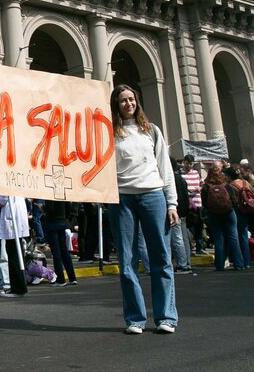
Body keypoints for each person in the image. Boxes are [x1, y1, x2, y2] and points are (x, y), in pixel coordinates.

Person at [104, 84, 178, 335]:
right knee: (126, 261)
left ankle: (166, 317)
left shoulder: (152, 131)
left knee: (161, 259)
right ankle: (135, 319)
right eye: (123, 100)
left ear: (137, 102)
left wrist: (172, 203)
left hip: (153, 196)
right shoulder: (109, 133)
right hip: (122, 199)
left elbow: (164, 168)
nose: (128, 104)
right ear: (116, 105)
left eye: (131, 99)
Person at [202, 162, 244, 271]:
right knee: (233, 238)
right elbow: (234, 200)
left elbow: (204, 203)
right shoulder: (226, 184)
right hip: (229, 213)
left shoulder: (206, 186)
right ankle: (238, 264)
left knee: (218, 239)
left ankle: (220, 265)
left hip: (214, 215)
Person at [41, 200, 78, 287]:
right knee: (64, 251)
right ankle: (72, 278)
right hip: (62, 221)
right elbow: (69, 207)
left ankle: (61, 279)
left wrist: (43, 208)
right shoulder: (62, 194)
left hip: (52, 222)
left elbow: (50, 209)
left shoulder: (50, 194)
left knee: (56, 252)